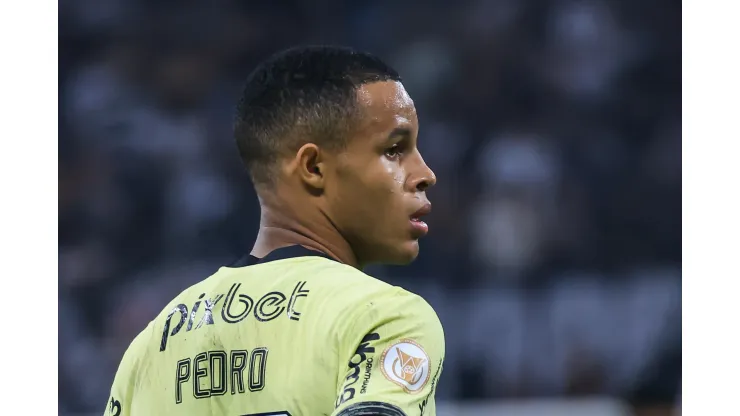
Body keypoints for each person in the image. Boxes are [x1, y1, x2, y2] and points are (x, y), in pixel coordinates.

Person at [104, 45, 444, 416]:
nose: (425, 173)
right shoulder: (384, 317)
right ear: (313, 167)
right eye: (395, 149)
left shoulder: (153, 344)